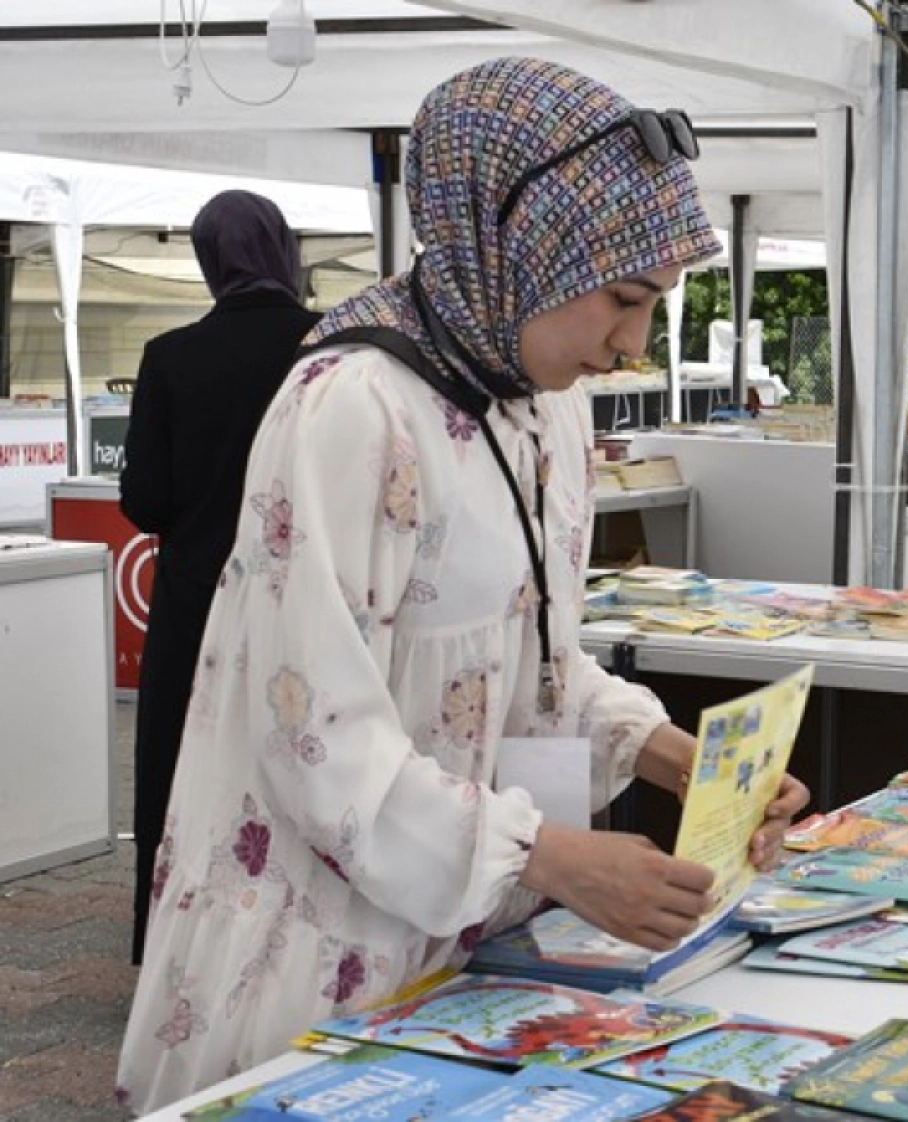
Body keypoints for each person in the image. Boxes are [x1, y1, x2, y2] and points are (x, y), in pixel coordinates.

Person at [117, 57, 809, 1112]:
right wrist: (551, 856)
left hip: (474, 935)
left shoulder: (542, 402)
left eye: (657, 305)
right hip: (326, 953)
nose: (633, 346)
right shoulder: (353, 407)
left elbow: (526, 655)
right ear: (517, 248)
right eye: (623, 300)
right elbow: (315, 739)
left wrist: (670, 755)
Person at [118, 191, 322, 966]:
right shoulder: (327, 345)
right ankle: (287, 935)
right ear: (282, 249)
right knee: (297, 755)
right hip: (303, 588)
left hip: (196, 596)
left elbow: (146, 499)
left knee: (178, 764)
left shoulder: (171, 355)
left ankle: (173, 936)